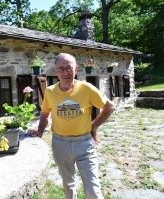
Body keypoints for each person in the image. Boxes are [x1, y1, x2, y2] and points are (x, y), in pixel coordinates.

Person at [27, 53, 115, 199]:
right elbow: (45, 114)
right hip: (60, 144)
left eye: (69, 68)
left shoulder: (87, 88)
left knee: (93, 191)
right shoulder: (50, 91)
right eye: (60, 69)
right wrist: (40, 131)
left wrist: (94, 126)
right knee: (68, 185)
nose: (65, 72)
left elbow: (109, 107)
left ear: (76, 69)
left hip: (84, 144)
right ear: (55, 72)